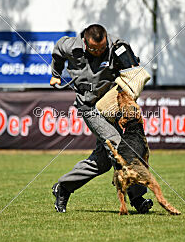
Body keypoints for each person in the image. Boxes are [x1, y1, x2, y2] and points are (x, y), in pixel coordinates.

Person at [49, 24, 153, 214]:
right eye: (93, 49)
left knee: (101, 162)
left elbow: (134, 75)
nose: (98, 52)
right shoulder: (71, 46)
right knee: (118, 145)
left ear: (106, 39)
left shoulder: (117, 48)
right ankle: (137, 198)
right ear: (84, 42)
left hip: (110, 107)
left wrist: (130, 67)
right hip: (88, 107)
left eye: (102, 48)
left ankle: (63, 187)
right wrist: (56, 74)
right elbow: (57, 51)